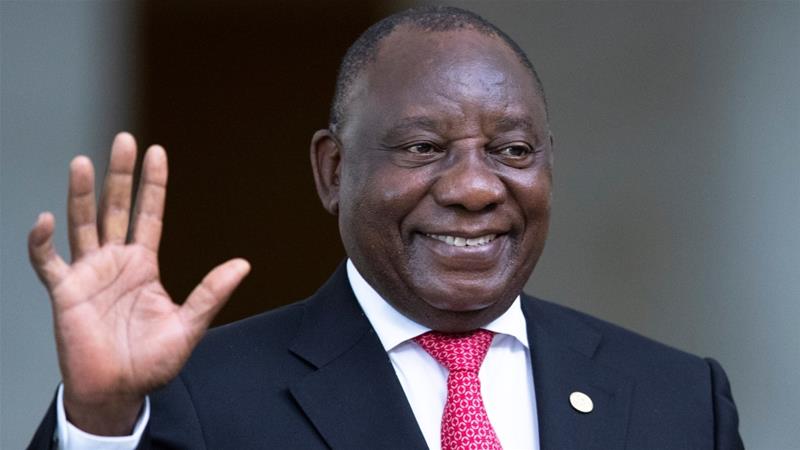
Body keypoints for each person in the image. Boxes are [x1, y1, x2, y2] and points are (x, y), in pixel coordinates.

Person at [27, 6, 743, 450]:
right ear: (333, 170)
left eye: (512, 151)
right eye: (423, 148)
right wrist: (97, 421)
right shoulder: (197, 401)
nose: (473, 188)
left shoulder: (677, 399)